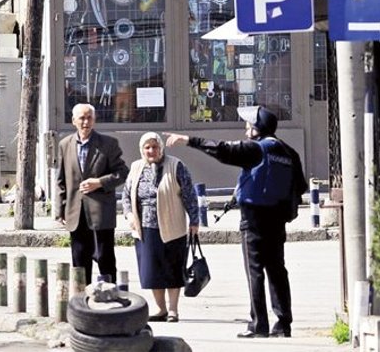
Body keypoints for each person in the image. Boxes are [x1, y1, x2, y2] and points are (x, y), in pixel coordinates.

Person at [165, 105, 307, 338]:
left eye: (248, 126)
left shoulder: (256, 149)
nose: (245, 130)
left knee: (255, 271)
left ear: (257, 129)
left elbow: (221, 150)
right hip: (278, 219)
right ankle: (283, 324)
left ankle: (258, 324)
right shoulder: (289, 152)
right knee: (277, 270)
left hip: (253, 217)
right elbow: (299, 186)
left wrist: (187, 140)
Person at [121, 132, 199, 323]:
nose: (151, 151)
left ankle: (173, 310)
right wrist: (130, 215)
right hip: (145, 228)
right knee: (152, 271)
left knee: (172, 269)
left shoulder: (175, 165)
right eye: (147, 147)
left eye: (155, 147)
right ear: (142, 150)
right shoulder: (136, 167)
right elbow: (125, 196)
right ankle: (160, 309)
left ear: (161, 148)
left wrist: (195, 221)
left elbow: (189, 194)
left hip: (172, 226)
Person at [56, 103, 128, 285]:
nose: (85, 122)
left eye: (89, 118)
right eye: (81, 118)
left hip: (101, 212)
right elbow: (61, 180)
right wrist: (60, 209)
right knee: (79, 260)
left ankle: (110, 297)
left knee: (105, 258)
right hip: (75, 212)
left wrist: (99, 183)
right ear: (73, 121)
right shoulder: (65, 144)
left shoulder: (108, 144)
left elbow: (122, 173)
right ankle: (82, 302)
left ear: (94, 120)